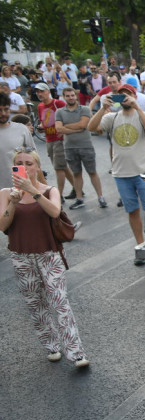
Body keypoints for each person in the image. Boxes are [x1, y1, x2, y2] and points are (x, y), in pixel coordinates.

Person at [0, 148, 88, 368]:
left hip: (49, 254)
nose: (25, 166)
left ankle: (76, 353)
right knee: (35, 303)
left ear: (37, 167)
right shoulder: (5, 193)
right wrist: (13, 201)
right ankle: (51, 346)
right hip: (21, 256)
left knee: (59, 302)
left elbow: (55, 212)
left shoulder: (49, 190)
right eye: (19, 163)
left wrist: (33, 191)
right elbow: (3, 225)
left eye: (29, 163)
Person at [87, 83, 145, 259]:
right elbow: (91, 127)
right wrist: (102, 108)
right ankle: (140, 245)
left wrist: (137, 107)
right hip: (122, 174)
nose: (124, 98)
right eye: (121, 95)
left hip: (144, 171)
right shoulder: (112, 117)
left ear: (134, 96)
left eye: (128, 95)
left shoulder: (144, 114)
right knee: (132, 211)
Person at [55, 86, 107, 209]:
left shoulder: (84, 109)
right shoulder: (59, 112)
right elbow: (58, 128)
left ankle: (100, 197)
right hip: (69, 147)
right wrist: (76, 128)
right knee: (76, 173)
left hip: (86, 146)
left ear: (76, 96)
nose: (70, 97)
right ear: (64, 97)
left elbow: (83, 125)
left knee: (92, 172)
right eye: (67, 96)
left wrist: (66, 128)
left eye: (72, 95)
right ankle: (79, 198)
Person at [35, 84, 69, 199]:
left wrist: (64, 130)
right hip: (48, 139)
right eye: (37, 92)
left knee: (58, 167)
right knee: (63, 167)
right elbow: (43, 121)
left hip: (59, 139)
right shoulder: (40, 106)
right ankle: (77, 188)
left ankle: (59, 195)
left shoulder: (58, 103)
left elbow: (69, 115)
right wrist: (40, 126)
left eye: (42, 91)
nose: (39, 94)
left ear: (48, 91)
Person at [0, 93, 35, 190]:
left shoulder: (22, 129)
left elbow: (34, 159)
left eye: (6, 109)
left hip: (19, 188)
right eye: (0, 110)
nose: (3, 113)